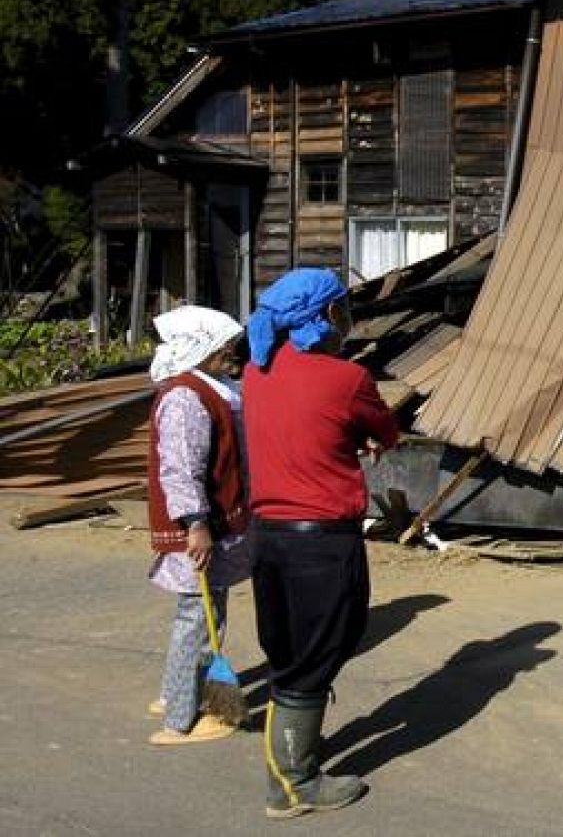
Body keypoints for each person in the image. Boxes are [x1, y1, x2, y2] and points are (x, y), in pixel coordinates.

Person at [243, 267, 398, 819]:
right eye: (343, 309)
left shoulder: (256, 372)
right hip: (322, 543)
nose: (347, 320)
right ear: (328, 315)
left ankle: (292, 747)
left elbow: (307, 429)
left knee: (287, 653)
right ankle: (293, 782)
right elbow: (386, 431)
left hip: (269, 540)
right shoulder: (345, 378)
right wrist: (362, 438)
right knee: (318, 654)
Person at [144, 305, 250, 746]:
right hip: (203, 525)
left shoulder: (213, 388)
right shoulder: (186, 398)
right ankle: (182, 719)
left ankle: (175, 695)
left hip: (214, 519)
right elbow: (181, 468)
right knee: (199, 619)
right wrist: (196, 524)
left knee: (199, 614)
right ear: (200, 347)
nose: (231, 350)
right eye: (223, 344)